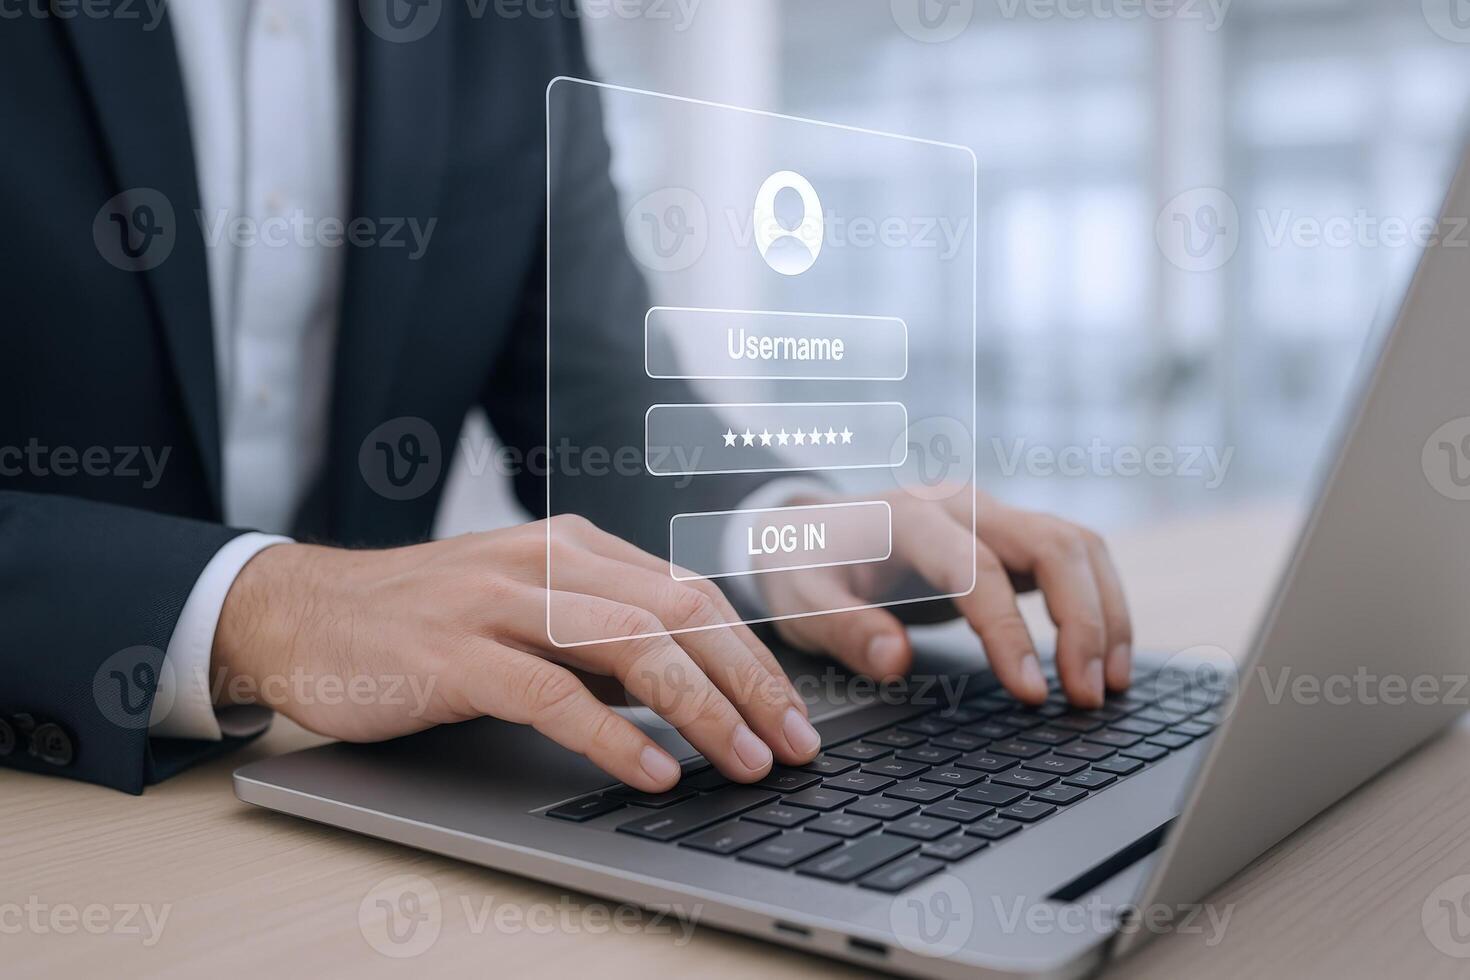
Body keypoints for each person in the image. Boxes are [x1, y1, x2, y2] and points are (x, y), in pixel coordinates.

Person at [0, 0, 1131, 795]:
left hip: (361, 814)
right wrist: (266, 606)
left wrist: (785, 533)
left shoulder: (506, 18)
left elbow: (589, 402)